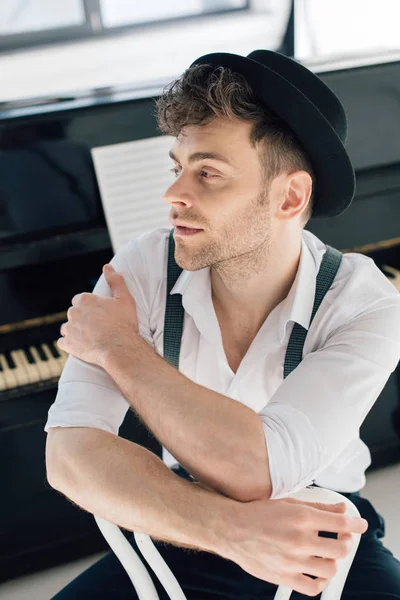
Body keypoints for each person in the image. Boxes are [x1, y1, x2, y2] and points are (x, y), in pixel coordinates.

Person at [44, 50, 400, 599]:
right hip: (182, 521)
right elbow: (68, 455)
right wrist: (228, 531)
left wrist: (120, 347)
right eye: (178, 167)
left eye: (208, 172)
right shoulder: (140, 268)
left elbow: (261, 467)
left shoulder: (365, 303)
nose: (173, 196)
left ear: (290, 196)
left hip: (323, 530)